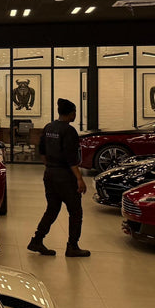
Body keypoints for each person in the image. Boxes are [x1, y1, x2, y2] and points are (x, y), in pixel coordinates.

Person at [28, 98, 91, 257]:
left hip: (50, 174)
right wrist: (79, 178)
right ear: (71, 113)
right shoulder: (69, 131)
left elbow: (41, 151)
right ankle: (72, 246)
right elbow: (71, 158)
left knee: (52, 209)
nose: (75, 115)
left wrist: (50, 167)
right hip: (65, 176)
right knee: (76, 212)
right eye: (75, 112)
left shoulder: (49, 127)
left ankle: (37, 240)